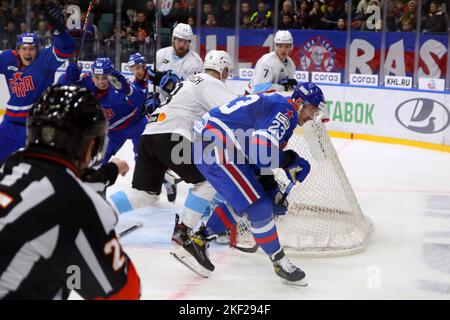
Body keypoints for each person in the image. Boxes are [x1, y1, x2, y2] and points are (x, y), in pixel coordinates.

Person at [173, 82, 330, 286]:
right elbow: (262, 154)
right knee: (259, 206)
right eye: (312, 109)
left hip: (215, 144)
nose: (313, 116)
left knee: (251, 198)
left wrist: (270, 185)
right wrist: (289, 161)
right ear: (300, 102)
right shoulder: (286, 112)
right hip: (216, 146)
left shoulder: (282, 107)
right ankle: (280, 262)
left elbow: (257, 158)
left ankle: (199, 240)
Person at [0, 85, 140, 300]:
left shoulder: (10, 166)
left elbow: (59, 179)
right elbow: (125, 293)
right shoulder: (78, 203)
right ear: (91, 146)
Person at [109, 50, 236, 236]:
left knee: (144, 194)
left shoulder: (191, 80)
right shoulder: (212, 82)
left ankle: (97, 211)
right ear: (222, 69)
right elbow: (235, 109)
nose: (226, 76)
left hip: (150, 133)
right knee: (207, 181)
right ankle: (182, 233)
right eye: (227, 71)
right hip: (171, 136)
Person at [0, 6, 75, 163]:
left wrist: (58, 31)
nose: (28, 53)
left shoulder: (45, 60)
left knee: (45, 168)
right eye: (24, 49)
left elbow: (66, 49)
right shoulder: (7, 58)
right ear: (18, 49)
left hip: (38, 126)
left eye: (32, 49)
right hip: (10, 125)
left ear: (38, 50)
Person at [58, 57, 147, 164]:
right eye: (97, 77)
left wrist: (127, 89)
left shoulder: (120, 84)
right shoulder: (87, 80)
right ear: (92, 75)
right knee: (96, 161)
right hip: (113, 131)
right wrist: (67, 77)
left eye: (104, 78)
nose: (100, 82)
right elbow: (61, 86)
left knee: (144, 159)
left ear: (111, 75)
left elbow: (140, 98)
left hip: (137, 125)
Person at [127, 52, 181, 202]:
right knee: (142, 157)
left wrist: (159, 78)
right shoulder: (134, 86)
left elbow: (176, 87)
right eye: (133, 69)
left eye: (139, 67)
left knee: (157, 155)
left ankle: (161, 183)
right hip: (145, 126)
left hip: (165, 122)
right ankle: (156, 185)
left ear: (144, 65)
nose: (137, 71)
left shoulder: (156, 76)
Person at [155, 23, 203, 99]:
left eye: (185, 42)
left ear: (189, 42)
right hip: (161, 102)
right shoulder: (160, 54)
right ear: (173, 39)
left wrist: (170, 84)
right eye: (179, 40)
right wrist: (152, 95)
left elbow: (191, 91)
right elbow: (152, 79)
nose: (182, 45)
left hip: (181, 104)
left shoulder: (196, 62)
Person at [245, 30, 297, 94]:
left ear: (291, 47)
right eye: (280, 46)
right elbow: (259, 88)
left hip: (272, 98)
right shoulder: (266, 62)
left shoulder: (291, 64)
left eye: (286, 47)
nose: (283, 50)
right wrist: (283, 87)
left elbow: (288, 86)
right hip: (252, 97)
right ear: (275, 46)